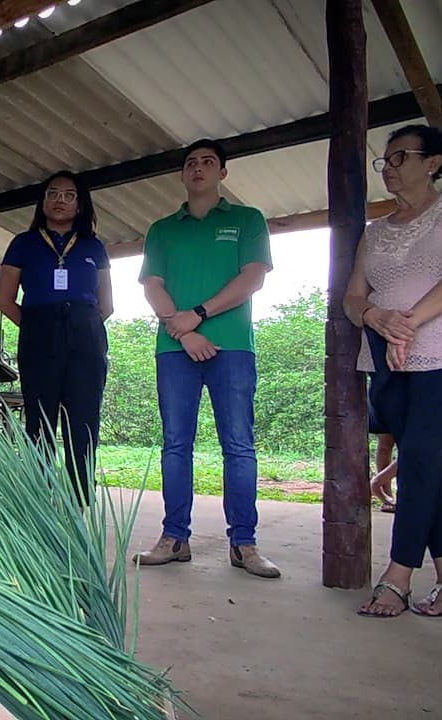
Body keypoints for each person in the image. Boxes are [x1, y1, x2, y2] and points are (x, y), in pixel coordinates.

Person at [344, 125, 442, 618]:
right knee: (423, 461)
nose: (387, 166)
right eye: (383, 160)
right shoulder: (376, 229)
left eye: (400, 156)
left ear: (433, 162)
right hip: (390, 360)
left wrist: (407, 323)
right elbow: (352, 297)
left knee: (422, 455)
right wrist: (375, 317)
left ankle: (399, 573)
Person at [133, 139, 280, 579]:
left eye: (208, 162)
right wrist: (184, 332)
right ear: (182, 174)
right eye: (191, 163)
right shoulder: (163, 229)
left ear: (222, 173)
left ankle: (244, 543)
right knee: (175, 444)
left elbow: (252, 278)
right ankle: (174, 537)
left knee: (238, 446)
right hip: (174, 349)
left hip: (231, 346)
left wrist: (197, 316)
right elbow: (151, 286)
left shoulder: (247, 220)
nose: (198, 168)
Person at [0, 171, 113, 503]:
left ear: (80, 204)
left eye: (68, 195)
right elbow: (5, 301)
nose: (59, 200)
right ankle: (40, 504)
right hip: (38, 334)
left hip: (86, 336)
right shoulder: (23, 243)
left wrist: (79, 327)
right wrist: (38, 329)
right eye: (52, 193)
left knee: (84, 420)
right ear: (42, 201)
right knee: (39, 422)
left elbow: (107, 305)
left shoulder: (93, 246)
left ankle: (80, 503)